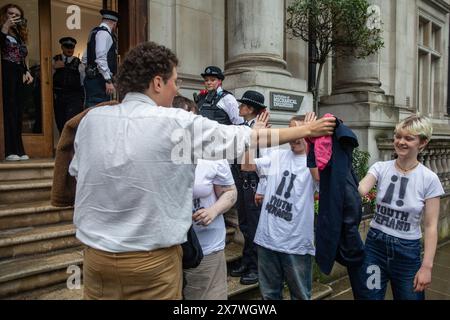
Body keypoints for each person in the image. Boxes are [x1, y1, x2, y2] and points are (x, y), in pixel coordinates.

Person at [67, 41, 336, 300]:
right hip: (150, 264)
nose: (177, 90)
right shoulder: (172, 122)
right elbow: (241, 139)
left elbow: (79, 177)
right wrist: (307, 130)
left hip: (95, 260)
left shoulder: (91, 121)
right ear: (158, 83)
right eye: (175, 81)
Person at [350, 115, 444, 300]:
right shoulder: (380, 168)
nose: (400, 142)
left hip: (407, 253)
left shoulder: (429, 179)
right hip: (374, 248)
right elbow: (359, 190)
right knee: (369, 297)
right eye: (398, 136)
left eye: (408, 138)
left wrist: (427, 266)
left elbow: (431, 226)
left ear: (422, 143)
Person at [243, 115, 319, 300]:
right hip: (267, 240)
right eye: (292, 130)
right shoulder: (277, 156)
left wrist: (313, 139)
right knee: (269, 295)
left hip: (296, 245)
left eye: (300, 131)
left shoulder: (313, 165)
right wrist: (252, 136)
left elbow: (318, 179)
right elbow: (247, 165)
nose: (295, 136)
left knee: (300, 295)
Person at [173, 96, 237, 299]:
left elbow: (230, 192)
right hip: (167, 250)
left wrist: (213, 210)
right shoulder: (157, 153)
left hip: (206, 246)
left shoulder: (212, 153)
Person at [229, 90, 268, 285]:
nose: (239, 107)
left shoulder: (263, 130)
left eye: (242, 105)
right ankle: (247, 261)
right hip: (241, 180)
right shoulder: (243, 128)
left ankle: (256, 268)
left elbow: (267, 162)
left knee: (253, 226)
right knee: (244, 224)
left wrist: (262, 188)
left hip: (254, 182)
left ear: (250, 108)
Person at [0, 3, 33, 161]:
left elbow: (21, 58)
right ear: (4, 15)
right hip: (6, 74)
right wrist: (5, 27)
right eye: (10, 13)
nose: (13, 17)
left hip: (18, 76)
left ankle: (19, 149)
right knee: (9, 112)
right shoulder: (3, 31)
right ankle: (8, 150)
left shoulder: (19, 36)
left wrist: (27, 71)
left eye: (17, 15)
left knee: (19, 113)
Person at [81, 9, 118, 107]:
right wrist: (108, 80)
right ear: (114, 23)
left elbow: (84, 58)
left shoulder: (93, 33)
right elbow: (101, 59)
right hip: (100, 81)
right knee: (99, 110)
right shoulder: (105, 34)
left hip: (92, 79)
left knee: (91, 110)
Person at [53, 37, 84, 134]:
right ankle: (63, 146)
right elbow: (45, 79)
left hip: (74, 97)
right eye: (67, 47)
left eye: (72, 47)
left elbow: (82, 81)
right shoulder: (55, 60)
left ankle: (71, 147)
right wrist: (53, 68)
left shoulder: (78, 63)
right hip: (59, 96)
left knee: (71, 123)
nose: (70, 49)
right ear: (62, 47)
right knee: (60, 123)